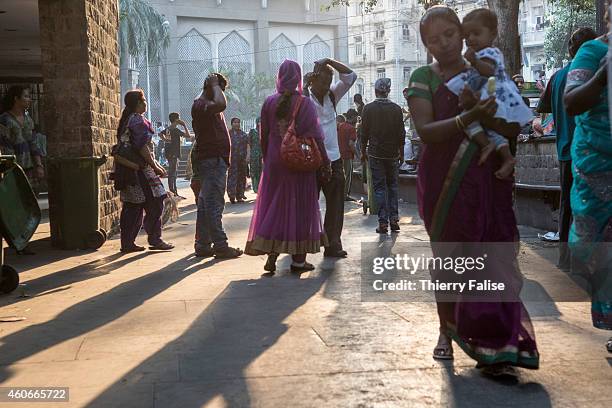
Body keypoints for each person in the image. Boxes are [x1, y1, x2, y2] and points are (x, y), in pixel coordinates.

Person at [407, 5, 539, 373]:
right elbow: (427, 131)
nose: (443, 44)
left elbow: (511, 125)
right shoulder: (423, 77)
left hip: (485, 180)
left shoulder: (485, 74)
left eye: (449, 34)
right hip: (442, 182)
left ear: (462, 33)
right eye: (433, 40)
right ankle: (446, 331)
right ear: (426, 45)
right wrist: (470, 116)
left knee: (492, 260)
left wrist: (490, 118)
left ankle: (496, 343)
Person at [245, 59, 330, 274]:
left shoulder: (269, 102)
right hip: (298, 162)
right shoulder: (305, 103)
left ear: (280, 77)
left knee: (275, 206)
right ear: (299, 78)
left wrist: (269, 160)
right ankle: (298, 261)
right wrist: (325, 162)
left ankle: (272, 255)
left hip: (275, 161)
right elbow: (316, 136)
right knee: (300, 208)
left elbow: (264, 137)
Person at [563, 26, 612, 353]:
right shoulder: (594, 53)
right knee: (592, 245)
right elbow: (571, 101)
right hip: (596, 162)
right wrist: (603, 76)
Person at [445, 8, 533, 179]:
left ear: (492, 34)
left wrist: (474, 62)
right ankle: (500, 153)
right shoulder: (477, 55)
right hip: (484, 95)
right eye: (467, 36)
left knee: (471, 119)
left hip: (494, 94)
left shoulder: (490, 53)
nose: (470, 39)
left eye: (476, 33)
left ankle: (495, 150)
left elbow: (489, 71)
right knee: (485, 128)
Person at [537, 27, 598, 271]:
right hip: (590, 150)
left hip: (564, 149)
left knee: (567, 205)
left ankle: (565, 259)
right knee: (590, 206)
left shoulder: (558, 77)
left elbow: (543, 109)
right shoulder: (594, 74)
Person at [304, 58, 357, 258]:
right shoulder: (304, 98)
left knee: (336, 204)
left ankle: (333, 244)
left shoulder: (332, 96)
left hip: (334, 160)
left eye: (329, 82)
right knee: (307, 204)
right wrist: (302, 83)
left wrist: (329, 62)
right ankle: (299, 246)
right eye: (323, 82)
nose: (327, 86)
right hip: (311, 160)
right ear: (313, 81)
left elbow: (351, 77)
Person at [192, 73, 243, 259]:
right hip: (212, 160)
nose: (221, 93)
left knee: (206, 204)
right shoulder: (202, 104)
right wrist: (215, 84)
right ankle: (220, 245)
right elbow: (222, 103)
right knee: (214, 204)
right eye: (220, 90)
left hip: (214, 159)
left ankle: (203, 244)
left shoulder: (205, 105)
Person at [116, 90, 174, 253]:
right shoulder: (137, 120)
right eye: (143, 100)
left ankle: (129, 242)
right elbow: (142, 147)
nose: (146, 103)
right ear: (138, 104)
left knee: (133, 205)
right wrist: (154, 166)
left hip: (131, 169)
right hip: (138, 170)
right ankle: (154, 239)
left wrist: (155, 165)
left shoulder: (128, 120)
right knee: (154, 202)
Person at [0, 86, 45, 255]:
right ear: (16, 99)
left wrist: (39, 165)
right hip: (12, 168)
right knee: (13, 204)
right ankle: (16, 240)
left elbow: (34, 143)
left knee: (28, 202)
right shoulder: (5, 120)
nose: (29, 99)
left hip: (28, 167)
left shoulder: (27, 119)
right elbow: (5, 147)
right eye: (25, 96)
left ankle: (23, 240)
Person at [360, 78, 405, 234]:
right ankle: (394, 220)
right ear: (388, 91)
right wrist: (402, 153)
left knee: (380, 188)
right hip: (392, 155)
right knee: (392, 187)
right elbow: (401, 134)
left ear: (375, 91)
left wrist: (361, 152)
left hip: (375, 154)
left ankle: (383, 222)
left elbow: (363, 133)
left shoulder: (368, 109)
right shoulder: (396, 109)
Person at [161, 112, 191, 198]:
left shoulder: (168, 129)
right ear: (177, 120)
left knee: (173, 172)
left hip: (169, 152)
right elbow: (188, 135)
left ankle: (174, 192)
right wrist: (184, 125)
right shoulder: (175, 130)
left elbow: (160, 134)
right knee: (173, 173)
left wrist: (165, 139)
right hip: (174, 152)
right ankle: (173, 192)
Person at [227, 117, 249, 203]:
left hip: (242, 160)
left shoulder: (243, 134)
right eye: (235, 122)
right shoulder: (228, 134)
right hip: (232, 160)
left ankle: (240, 195)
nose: (236, 124)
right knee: (232, 177)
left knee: (241, 177)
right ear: (232, 124)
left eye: (238, 122)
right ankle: (231, 195)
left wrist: (248, 156)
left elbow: (248, 146)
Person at [337, 112, 357, 201]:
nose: (357, 120)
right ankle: (345, 196)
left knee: (340, 176)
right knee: (347, 176)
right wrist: (358, 154)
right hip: (348, 155)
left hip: (338, 155)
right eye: (356, 118)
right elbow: (351, 144)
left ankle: (338, 194)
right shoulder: (352, 129)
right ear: (352, 117)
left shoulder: (340, 126)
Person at [248, 117, 263, 194]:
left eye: (261, 122)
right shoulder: (252, 132)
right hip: (254, 155)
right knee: (254, 171)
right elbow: (249, 143)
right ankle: (255, 188)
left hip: (262, 155)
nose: (260, 123)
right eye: (258, 122)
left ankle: (261, 188)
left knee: (262, 171)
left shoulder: (264, 132)